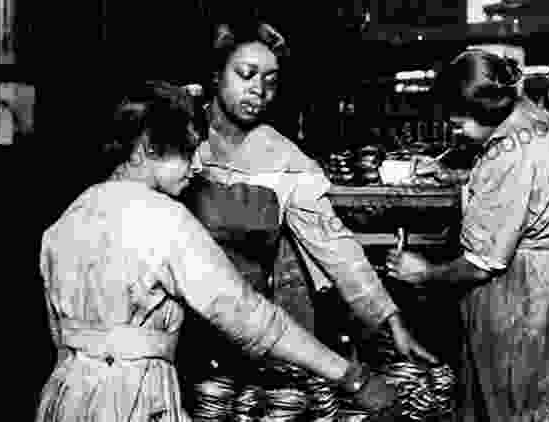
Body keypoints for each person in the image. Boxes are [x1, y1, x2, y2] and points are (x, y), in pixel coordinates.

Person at [35, 81, 403, 421]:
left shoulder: (66, 221)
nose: (196, 166)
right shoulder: (165, 219)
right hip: (133, 400)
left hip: (65, 396)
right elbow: (249, 318)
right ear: (147, 148)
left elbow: (58, 335)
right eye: (188, 151)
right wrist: (351, 377)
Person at [177, 19, 435, 384]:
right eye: (246, 74)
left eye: (270, 81)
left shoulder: (283, 158)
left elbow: (334, 245)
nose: (259, 91)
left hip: (249, 324)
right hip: (179, 325)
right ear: (216, 75)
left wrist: (388, 319)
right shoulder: (178, 139)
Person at [386, 50, 549, 421]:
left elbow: (481, 265)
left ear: (486, 112)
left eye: (459, 125)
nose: (456, 133)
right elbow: (524, 191)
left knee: (513, 403)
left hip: (522, 294)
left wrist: (422, 273)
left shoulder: (505, 154)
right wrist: (460, 178)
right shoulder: (535, 118)